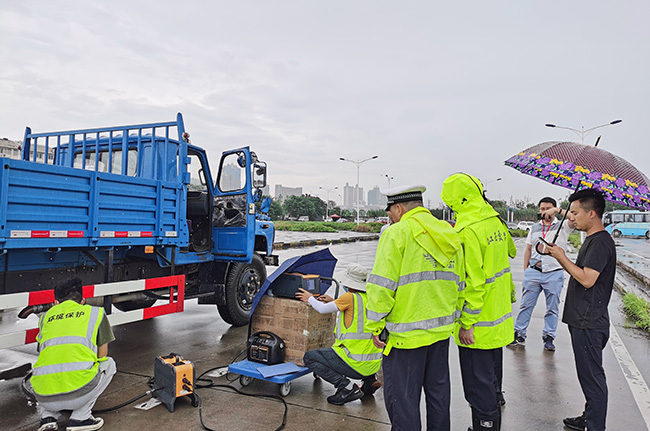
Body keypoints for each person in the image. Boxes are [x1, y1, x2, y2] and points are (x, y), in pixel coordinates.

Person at [365, 185, 465, 431]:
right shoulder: (450, 234)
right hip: (441, 333)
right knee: (439, 396)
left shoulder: (397, 233)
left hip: (405, 338)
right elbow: (460, 284)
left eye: (390, 211)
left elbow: (382, 285)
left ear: (398, 208)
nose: (389, 216)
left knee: (403, 401)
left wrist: (375, 325)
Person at [440, 173, 517, 431]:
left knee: (477, 385)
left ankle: (484, 426)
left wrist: (467, 322)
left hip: (479, 325)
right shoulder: (495, 221)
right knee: (493, 381)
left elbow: (474, 282)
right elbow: (510, 254)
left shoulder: (467, 230)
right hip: (500, 317)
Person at [544, 189, 616, 431]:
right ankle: (589, 417)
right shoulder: (592, 239)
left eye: (575, 213)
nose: (571, 218)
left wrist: (561, 257)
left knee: (592, 378)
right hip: (584, 319)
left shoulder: (600, 242)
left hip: (589, 322)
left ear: (592, 214)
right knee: (587, 376)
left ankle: (595, 426)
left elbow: (587, 279)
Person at [31, 278, 116, 431]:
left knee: (47, 365)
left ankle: (47, 417)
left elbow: (45, 353)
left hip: (43, 397)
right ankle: (81, 418)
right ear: (83, 300)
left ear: (56, 303)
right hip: (78, 394)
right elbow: (102, 356)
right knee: (109, 364)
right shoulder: (95, 313)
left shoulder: (45, 318)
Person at [297, 263, 383, 405]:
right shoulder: (372, 299)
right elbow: (355, 313)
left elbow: (322, 309)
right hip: (372, 365)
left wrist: (310, 298)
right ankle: (369, 382)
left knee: (310, 357)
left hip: (353, 362)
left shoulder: (349, 297)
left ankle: (346, 387)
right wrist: (333, 301)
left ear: (349, 283)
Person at [511, 197, 575, 351]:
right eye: (542, 209)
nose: (544, 211)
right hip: (534, 271)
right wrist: (526, 269)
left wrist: (558, 211)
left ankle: (549, 336)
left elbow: (574, 218)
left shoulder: (563, 226)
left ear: (554, 209)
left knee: (552, 307)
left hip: (553, 272)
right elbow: (528, 249)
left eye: (548, 208)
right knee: (526, 305)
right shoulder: (534, 228)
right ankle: (519, 333)